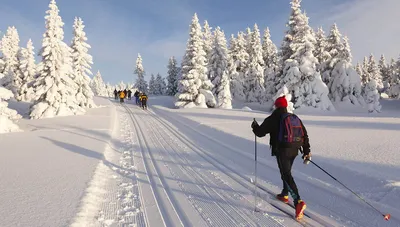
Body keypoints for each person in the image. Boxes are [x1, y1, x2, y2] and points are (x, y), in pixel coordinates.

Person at [251, 96, 311, 220]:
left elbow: (260, 132)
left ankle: (298, 202)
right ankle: (284, 194)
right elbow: (304, 135)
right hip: (294, 150)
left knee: (286, 174)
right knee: (286, 172)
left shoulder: (273, 118)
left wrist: (254, 126)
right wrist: (306, 151)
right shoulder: (294, 117)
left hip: (282, 150)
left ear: (276, 106)